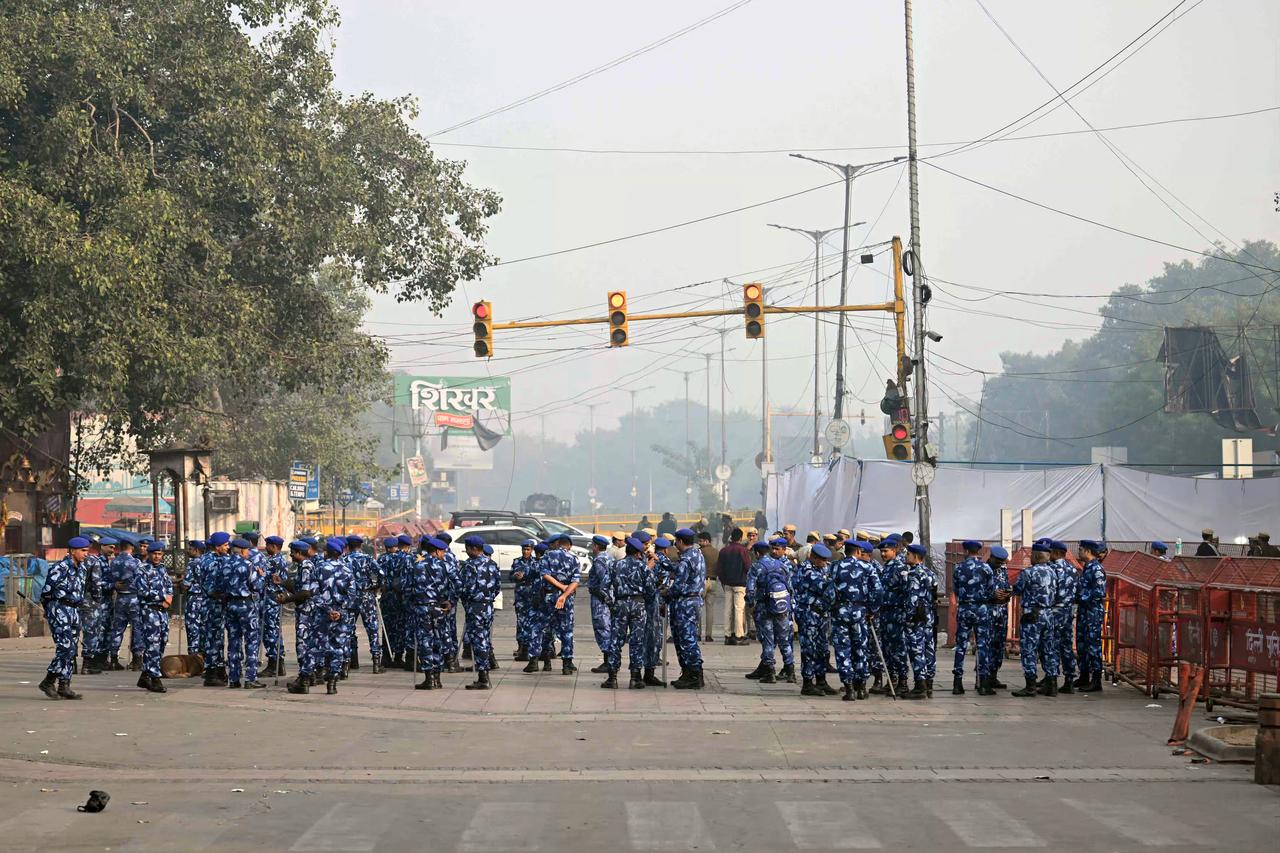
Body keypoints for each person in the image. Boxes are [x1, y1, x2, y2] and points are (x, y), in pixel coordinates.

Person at [39, 536, 91, 700]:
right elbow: (46, 592)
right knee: (65, 648)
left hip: (74, 611)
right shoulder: (60, 568)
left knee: (72, 649)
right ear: (73, 551)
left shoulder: (82, 569)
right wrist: (49, 610)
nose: (85, 554)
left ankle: (64, 684)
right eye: (83, 551)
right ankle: (48, 681)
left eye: (86, 551)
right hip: (59, 608)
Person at [831, 540, 882, 700]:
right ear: (859, 552)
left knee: (843, 650)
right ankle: (862, 687)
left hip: (840, 612)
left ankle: (849, 688)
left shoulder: (835, 567)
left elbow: (829, 590)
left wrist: (831, 607)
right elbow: (878, 590)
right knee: (861, 648)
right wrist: (872, 609)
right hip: (861, 612)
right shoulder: (867, 567)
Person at [213, 537, 265, 689]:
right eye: (247, 550)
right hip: (246, 605)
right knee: (251, 641)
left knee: (234, 641)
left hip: (230, 605)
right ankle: (250, 678)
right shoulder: (248, 565)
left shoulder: (224, 564)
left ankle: (234, 678)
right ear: (243, 550)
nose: (248, 553)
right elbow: (257, 587)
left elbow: (219, 587)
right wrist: (261, 576)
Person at [603, 537, 654, 689]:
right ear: (638, 553)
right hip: (638, 605)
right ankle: (635, 677)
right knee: (637, 641)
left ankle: (612, 678)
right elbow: (651, 590)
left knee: (616, 641)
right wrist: (644, 601)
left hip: (620, 604)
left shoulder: (615, 565)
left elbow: (604, 587)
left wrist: (612, 603)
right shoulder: (643, 567)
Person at [745, 538, 795, 684]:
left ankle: (770, 672)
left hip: (764, 607)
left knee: (768, 640)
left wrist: (750, 604)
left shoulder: (757, 566)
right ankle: (790, 671)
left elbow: (751, 589)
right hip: (782, 607)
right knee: (784, 640)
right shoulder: (782, 565)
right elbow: (790, 588)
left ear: (756, 553)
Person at [1011, 542, 1057, 697]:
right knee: (1048, 649)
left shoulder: (1028, 573)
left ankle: (1030, 685)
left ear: (1036, 556)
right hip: (1048, 614)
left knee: (1029, 649)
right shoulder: (1053, 572)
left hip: (1032, 614)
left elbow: (1017, 589)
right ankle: (1052, 684)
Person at [310, 538, 354, 695]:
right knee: (338, 648)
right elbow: (352, 595)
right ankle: (333, 682)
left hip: (322, 614)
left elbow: (314, 594)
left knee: (316, 646)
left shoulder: (318, 568)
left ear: (327, 553)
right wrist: (339, 611)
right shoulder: (347, 570)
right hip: (341, 615)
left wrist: (328, 610)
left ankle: (312, 675)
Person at [951, 540, 994, 696]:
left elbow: (955, 588)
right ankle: (983, 683)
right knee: (983, 645)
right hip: (982, 608)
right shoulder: (986, 568)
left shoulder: (958, 568)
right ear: (978, 551)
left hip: (964, 608)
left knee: (961, 645)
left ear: (966, 551)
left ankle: (957, 682)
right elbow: (991, 590)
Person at [793, 541, 836, 697]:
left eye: (825, 560)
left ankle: (821, 681)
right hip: (808, 614)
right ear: (813, 557)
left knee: (822, 649)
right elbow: (823, 587)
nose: (825, 563)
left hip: (821, 615)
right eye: (822, 560)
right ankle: (807, 683)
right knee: (809, 649)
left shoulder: (823, 568)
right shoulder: (807, 570)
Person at [668, 528, 706, 689]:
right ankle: (690, 673)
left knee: (686, 639)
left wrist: (666, 592)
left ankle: (693, 674)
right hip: (695, 600)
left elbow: (677, 585)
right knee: (688, 638)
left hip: (685, 603)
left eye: (676, 541)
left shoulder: (685, 560)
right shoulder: (697, 554)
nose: (675, 543)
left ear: (681, 542)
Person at [460, 535, 500, 690]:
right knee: (484, 638)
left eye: (468, 549)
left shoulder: (470, 565)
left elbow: (464, 589)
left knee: (478, 642)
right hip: (488, 606)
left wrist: (467, 601)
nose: (467, 551)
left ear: (473, 549)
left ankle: (483, 677)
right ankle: (484, 674)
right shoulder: (492, 564)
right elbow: (497, 588)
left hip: (475, 607)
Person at [135, 541, 173, 693]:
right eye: (154, 554)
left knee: (162, 642)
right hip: (149, 610)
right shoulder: (142, 569)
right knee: (153, 644)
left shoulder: (162, 569)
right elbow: (142, 591)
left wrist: (168, 598)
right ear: (149, 554)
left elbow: (169, 585)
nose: (157, 557)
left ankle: (146, 674)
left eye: (159, 554)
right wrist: (163, 597)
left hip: (162, 611)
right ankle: (155, 678)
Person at [901, 542, 937, 700]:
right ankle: (929, 684)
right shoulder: (929, 573)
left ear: (915, 557)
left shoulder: (915, 573)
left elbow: (913, 599)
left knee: (916, 650)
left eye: (908, 554)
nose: (906, 556)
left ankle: (919, 686)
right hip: (928, 616)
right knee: (929, 649)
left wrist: (908, 619)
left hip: (916, 618)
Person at [875, 535, 910, 696]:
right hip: (885, 613)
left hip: (897, 613)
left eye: (886, 551)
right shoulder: (888, 566)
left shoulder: (900, 567)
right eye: (881, 552)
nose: (883, 554)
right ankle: (892, 679)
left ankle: (903, 681)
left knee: (898, 648)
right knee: (887, 649)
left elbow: (906, 590)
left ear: (894, 550)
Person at [104, 538, 145, 671]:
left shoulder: (114, 562)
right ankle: (137, 659)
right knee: (137, 628)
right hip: (134, 598)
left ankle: (114, 658)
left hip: (120, 598)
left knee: (117, 629)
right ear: (132, 547)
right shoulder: (135, 562)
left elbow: (111, 579)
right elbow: (141, 581)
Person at [542, 533, 580, 674]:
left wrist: (559, 586)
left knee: (547, 629)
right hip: (566, 598)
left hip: (550, 596)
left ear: (558, 543)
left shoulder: (548, 556)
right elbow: (575, 581)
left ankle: (546, 662)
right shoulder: (574, 558)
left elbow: (545, 574)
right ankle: (566, 664)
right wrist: (564, 593)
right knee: (567, 631)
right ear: (569, 545)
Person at [283, 540, 318, 694]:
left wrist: (286, 599)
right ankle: (308, 675)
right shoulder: (303, 566)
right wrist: (284, 583)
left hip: (306, 611)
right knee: (306, 645)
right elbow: (299, 588)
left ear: (298, 553)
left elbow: (305, 593)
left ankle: (303, 680)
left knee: (303, 646)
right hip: (305, 610)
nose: (291, 555)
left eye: (292, 552)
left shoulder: (305, 566)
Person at [1074, 539, 1107, 693]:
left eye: (1080, 550)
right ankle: (1084, 675)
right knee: (1082, 644)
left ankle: (1096, 680)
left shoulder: (1096, 569)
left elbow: (1099, 592)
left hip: (1092, 612)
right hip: (1084, 611)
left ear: (1087, 551)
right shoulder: (1087, 567)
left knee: (1093, 645)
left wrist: (1081, 598)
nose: (1078, 552)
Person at [1047, 540, 1079, 695]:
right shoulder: (1072, 570)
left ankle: (1052, 681)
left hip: (1054, 612)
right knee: (1066, 647)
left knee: (1051, 646)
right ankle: (1069, 680)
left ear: (1056, 553)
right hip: (1067, 612)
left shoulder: (1051, 569)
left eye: (1050, 552)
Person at [201, 532, 231, 687]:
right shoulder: (209, 561)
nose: (228, 547)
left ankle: (219, 668)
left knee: (219, 639)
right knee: (213, 639)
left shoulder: (222, 558)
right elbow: (211, 588)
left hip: (220, 605)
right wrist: (225, 595)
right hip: (213, 605)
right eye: (225, 545)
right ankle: (212, 672)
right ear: (218, 546)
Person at [259, 536, 289, 677]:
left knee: (270, 631)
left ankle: (274, 664)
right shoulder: (281, 560)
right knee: (274, 631)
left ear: (274, 546)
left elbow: (263, 578)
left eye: (267, 545)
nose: (266, 548)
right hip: (273, 599)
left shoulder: (273, 561)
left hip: (270, 600)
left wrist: (260, 574)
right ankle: (278, 664)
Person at [986, 546, 1013, 691]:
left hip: (1001, 612)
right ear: (991, 558)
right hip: (989, 611)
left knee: (998, 644)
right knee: (987, 644)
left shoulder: (1003, 570)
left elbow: (1007, 586)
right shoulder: (984, 570)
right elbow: (978, 591)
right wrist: (992, 595)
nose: (1000, 564)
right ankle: (983, 676)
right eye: (997, 561)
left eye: (1001, 562)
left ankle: (993, 675)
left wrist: (1007, 594)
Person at [717, 527, 750, 644]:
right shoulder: (743, 550)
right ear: (741, 538)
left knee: (727, 609)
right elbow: (747, 567)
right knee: (739, 609)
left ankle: (727, 635)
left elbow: (719, 570)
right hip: (740, 584)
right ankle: (739, 635)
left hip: (727, 583)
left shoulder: (724, 551)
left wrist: (723, 581)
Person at [586, 535, 614, 674]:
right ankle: (609, 660)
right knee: (607, 627)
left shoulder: (599, 560)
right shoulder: (609, 558)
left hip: (600, 599)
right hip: (605, 598)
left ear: (596, 546)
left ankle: (608, 661)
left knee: (602, 628)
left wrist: (606, 598)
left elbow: (604, 582)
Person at [511, 539, 539, 661]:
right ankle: (521, 647)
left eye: (528, 549)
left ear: (532, 550)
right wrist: (516, 576)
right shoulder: (517, 561)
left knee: (531, 622)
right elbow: (511, 575)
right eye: (524, 549)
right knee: (520, 622)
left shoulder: (535, 562)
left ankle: (529, 648)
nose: (525, 551)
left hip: (532, 596)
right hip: (520, 597)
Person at [697, 530, 718, 642]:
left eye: (700, 541)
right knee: (710, 610)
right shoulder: (716, 552)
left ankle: (697, 633)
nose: (699, 543)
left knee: (698, 608)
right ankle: (709, 635)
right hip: (714, 581)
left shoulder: (699, 552)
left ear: (706, 541)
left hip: (702, 582)